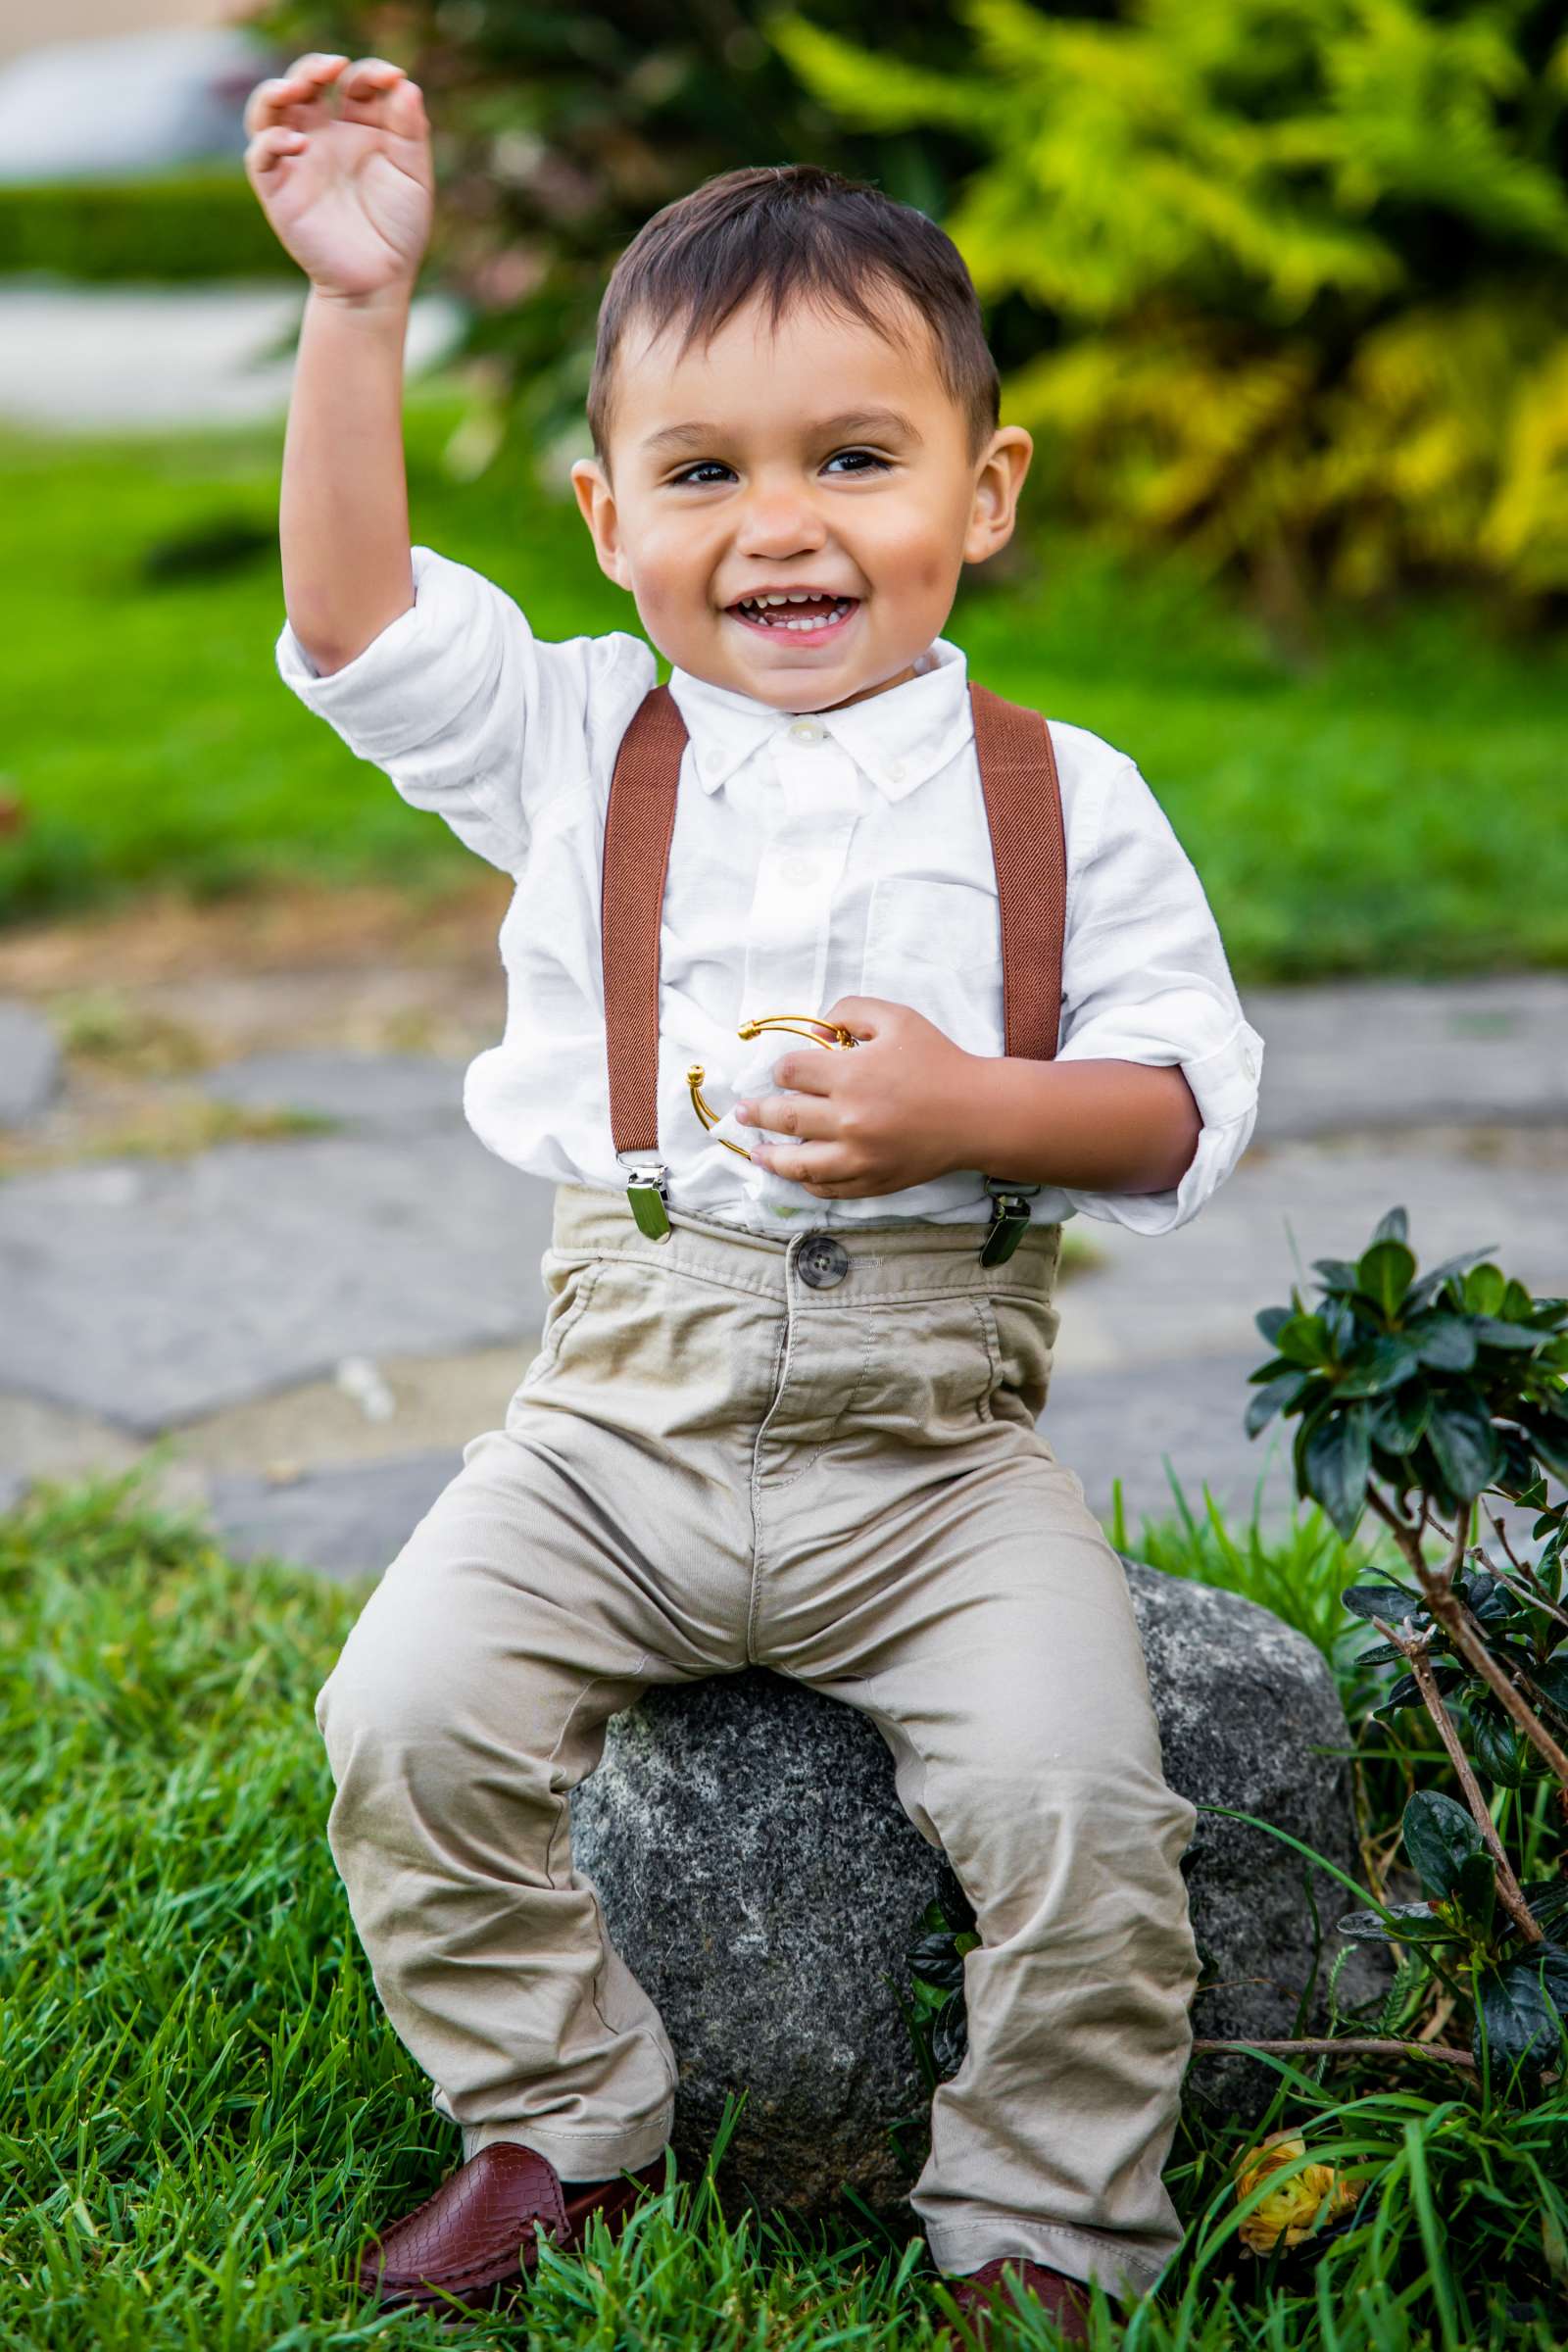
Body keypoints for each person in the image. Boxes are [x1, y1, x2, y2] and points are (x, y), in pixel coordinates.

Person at [244, 49, 1265, 2341]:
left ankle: (1037, 2222)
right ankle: (558, 2118)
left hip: (931, 1458)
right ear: (604, 517)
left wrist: (968, 1115)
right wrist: (355, 307)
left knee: (1084, 1810)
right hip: (611, 1424)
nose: (777, 522)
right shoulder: (577, 733)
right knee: (399, 1725)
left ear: (979, 491)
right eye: (701, 472)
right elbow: (352, 629)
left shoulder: (1056, 792)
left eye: (852, 458)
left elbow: (1184, 1109)